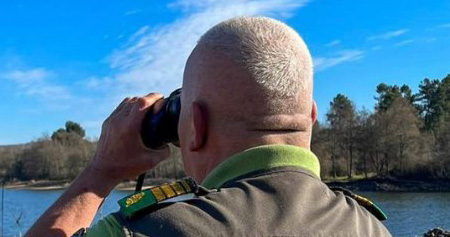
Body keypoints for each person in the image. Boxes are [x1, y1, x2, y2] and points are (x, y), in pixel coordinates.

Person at [26, 16, 392, 237]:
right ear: (311, 116)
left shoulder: (143, 231)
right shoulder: (372, 226)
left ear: (195, 127)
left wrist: (99, 173)